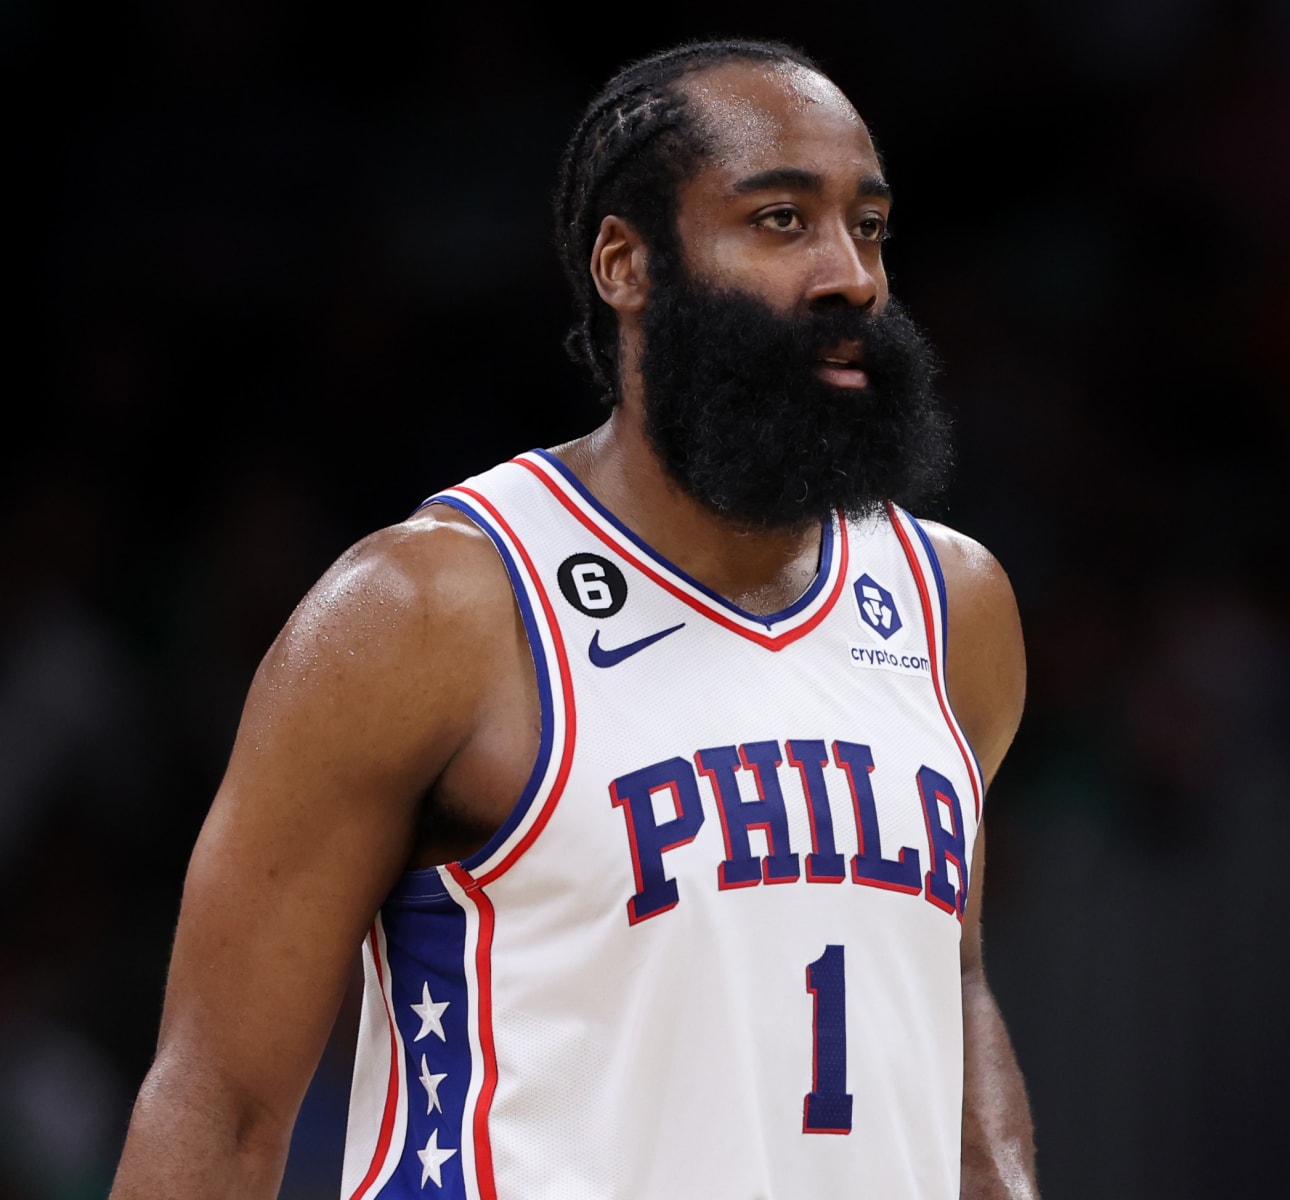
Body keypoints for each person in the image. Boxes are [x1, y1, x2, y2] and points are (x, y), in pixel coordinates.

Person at [110, 38, 1037, 1200]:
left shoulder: (952, 608)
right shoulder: (431, 609)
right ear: (626, 264)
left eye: (870, 226)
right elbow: (218, 1104)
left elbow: (947, 982)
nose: (850, 274)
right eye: (781, 221)